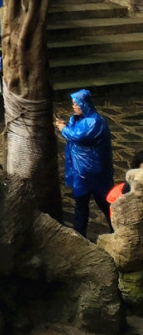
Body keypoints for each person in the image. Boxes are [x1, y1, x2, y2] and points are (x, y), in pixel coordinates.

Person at [57, 89, 115, 235]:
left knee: (104, 202)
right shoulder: (76, 119)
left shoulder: (95, 121)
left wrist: (63, 129)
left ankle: (116, 229)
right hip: (80, 171)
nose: (73, 107)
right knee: (81, 204)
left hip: (95, 171)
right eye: (73, 104)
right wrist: (65, 126)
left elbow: (79, 136)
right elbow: (73, 133)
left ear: (84, 104)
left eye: (76, 104)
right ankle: (79, 233)